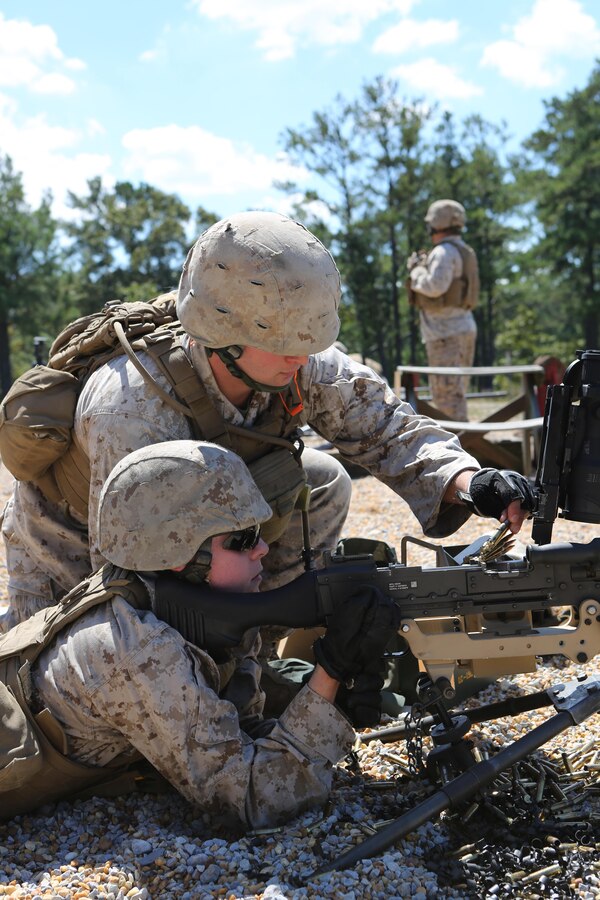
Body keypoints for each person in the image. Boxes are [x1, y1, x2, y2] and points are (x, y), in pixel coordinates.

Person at [1, 211, 529, 663]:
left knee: (322, 482)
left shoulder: (286, 352)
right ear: (222, 335)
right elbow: (127, 584)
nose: (300, 359)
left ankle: (253, 649)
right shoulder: (132, 406)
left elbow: (385, 423)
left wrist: (468, 480)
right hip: (70, 568)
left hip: (189, 527)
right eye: (284, 346)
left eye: (308, 342)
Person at [0, 441, 402, 827]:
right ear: (177, 557)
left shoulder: (199, 608)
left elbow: (240, 735)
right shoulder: (136, 647)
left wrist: (329, 703)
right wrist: (330, 672)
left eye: (259, 532)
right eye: (241, 540)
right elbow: (253, 799)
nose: (263, 549)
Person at [407, 199, 479, 421]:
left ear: (435, 225)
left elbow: (435, 286)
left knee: (447, 399)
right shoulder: (463, 250)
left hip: (444, 333)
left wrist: (416, 272)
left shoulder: (443, 252)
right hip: (461, 327)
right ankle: (464, 445)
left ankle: (457, 449)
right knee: (456, 393)